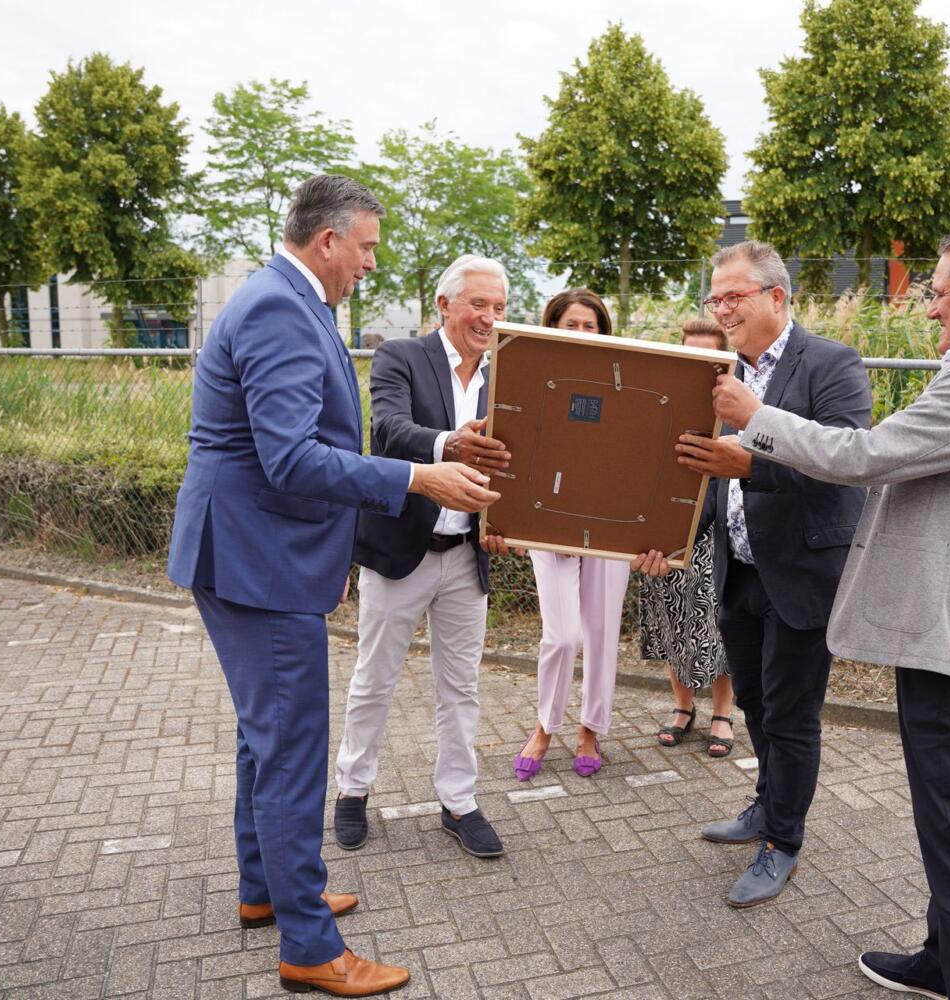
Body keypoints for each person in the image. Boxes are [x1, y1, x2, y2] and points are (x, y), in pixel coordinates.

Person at [711, 216, 950, 1000]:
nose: (928, 306)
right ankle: (944, 958)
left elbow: (868, 456)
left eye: (938, 292)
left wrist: (755, 420)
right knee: (947, 820)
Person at [166, 175, 497, 997]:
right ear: (327, 241)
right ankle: (310, 947)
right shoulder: (280, 308)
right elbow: (289, 458)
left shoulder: (287, 298)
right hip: (257, 561)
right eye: (367, 248)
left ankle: (269, 891)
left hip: (259, 553)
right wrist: (417, 476)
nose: (371, 263)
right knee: (291, 747)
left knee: (265, 738)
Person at [640, 239, 871, 909]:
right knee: (755, 703)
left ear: (776, 296)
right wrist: (664, 540)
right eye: (714, 299)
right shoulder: (717, 373)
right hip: (737, 569)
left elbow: (847, 464)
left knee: (792, 716)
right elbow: (697, 475)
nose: (721, 309)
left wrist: (752, 462)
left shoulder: (830, 363)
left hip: (802, 573)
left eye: (732, 296)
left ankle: (783, 841)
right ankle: (767, 803)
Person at [331, 254, 515, 860]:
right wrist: (450, 445)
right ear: (444, 305)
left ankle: (458, 802)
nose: (489, 318)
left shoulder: (509, 375)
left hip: (466, 556)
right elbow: (388, 430)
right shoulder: (401, 357)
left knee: (460, 687)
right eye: (478, 304)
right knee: (375, 679)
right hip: (399, 552)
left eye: (499, 307)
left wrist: (509, 523)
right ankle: (352, 789)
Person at [512, 288, 635, 780]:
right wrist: (515, 519)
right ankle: (545, 725)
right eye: (572, 325)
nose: (582, 333)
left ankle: (590, 729)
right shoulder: (534, 377)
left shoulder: (626, 382)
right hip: (551, 519)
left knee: (601, 632)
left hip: (609, 519)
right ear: (553, 327)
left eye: (591, 325)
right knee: (562, 636)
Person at [641, 318, 736, 757]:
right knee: (670, 622)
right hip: (665, 536)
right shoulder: (659, 404)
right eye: (690, 353)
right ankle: (683, 709)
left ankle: (722, 714)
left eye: (708, 357)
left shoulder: (737, 413)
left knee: (719, 628)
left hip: (715, 538)